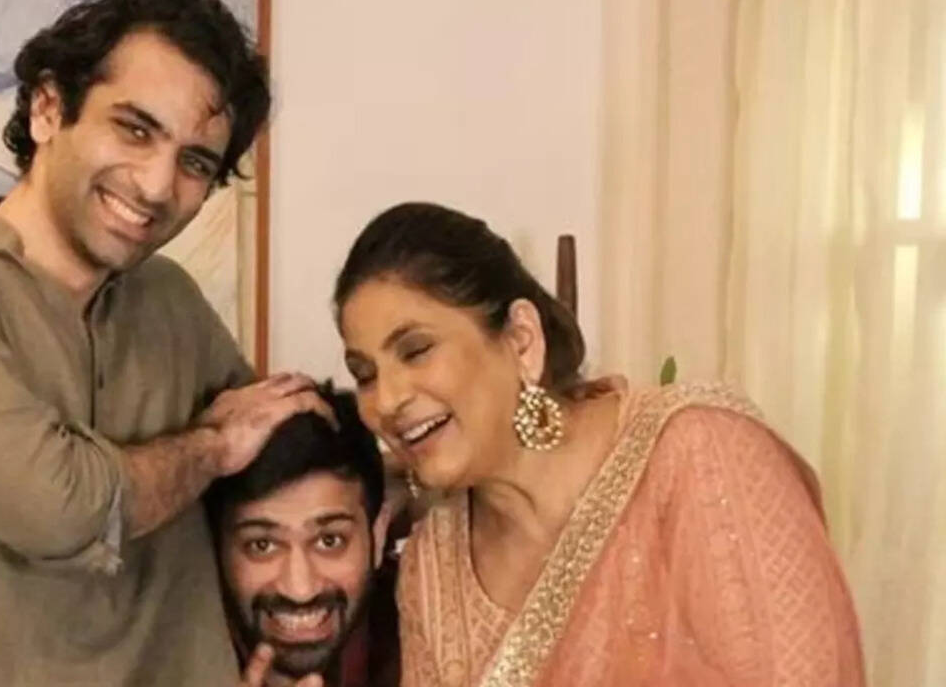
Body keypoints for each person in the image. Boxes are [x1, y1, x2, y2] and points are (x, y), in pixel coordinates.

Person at [0, 0, 328, 686]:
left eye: (195, 163)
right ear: (47, 108)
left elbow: (294, 474)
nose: (156, 186)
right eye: (135, 130)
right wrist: (210, 447)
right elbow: (53, 508)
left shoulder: (171, 303)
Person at [332, 202, 866, 686]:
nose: (387, 400)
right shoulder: (432, 569)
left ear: (521, 340)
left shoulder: (701, 456)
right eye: (365, 374)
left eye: (416, 350)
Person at [205, 386, 402, 687]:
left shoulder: (423, 634)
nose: (300, 590)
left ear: (378, 533)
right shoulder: (169, 653)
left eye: (329, 541)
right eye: (262, 545)